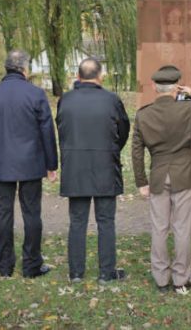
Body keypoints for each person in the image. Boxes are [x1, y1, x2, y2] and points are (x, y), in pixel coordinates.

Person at [132, 65, 191, 294]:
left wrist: (141, 182)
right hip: (184, 173)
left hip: (158, 174)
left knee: (159, 228)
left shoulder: (143, 114)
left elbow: (136, 151)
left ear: (154, 87)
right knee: (182, 228)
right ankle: (181, 278)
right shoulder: (188, 108)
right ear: (176, 86)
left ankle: (161, 279)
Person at [0, 50, 58, 278]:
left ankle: (4, 266)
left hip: (0, 164)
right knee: (32, 213)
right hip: (31, 163)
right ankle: (32, 264)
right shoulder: (35, 94)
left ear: (6, 68)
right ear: (25, 69)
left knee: (2, 215)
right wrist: (51, 164)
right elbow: (46, 131)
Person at [57, 58, 130, 284]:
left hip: (75, 167)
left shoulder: (65, 100)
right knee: (106, 221)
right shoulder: (111, 100)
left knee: (77, 221)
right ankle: (106, 273)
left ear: (78, 77)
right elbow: (123, 130)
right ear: (100, 76)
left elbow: (62, 130)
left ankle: (76, 273)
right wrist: (111, 150)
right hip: (105, 166)